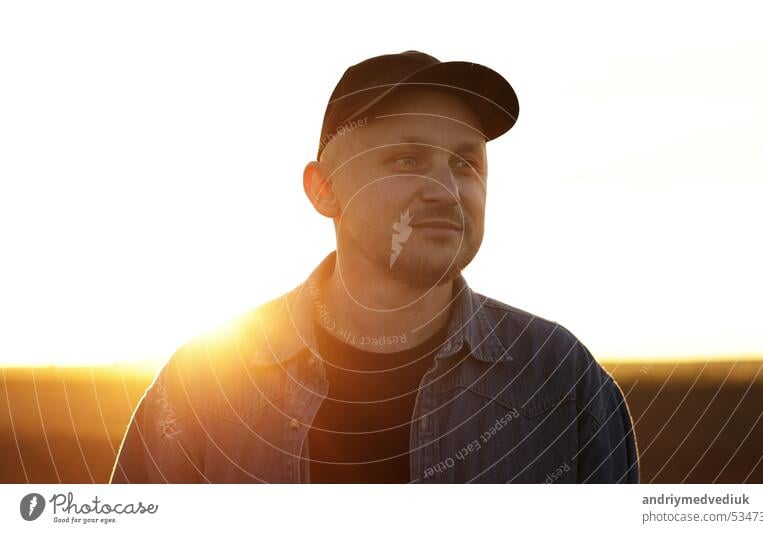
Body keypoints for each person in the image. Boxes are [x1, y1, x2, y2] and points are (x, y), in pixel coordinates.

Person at [110, 50, 640, 483]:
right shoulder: (207, 382)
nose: (446, 191)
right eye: (407, 160)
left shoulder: (559, 376)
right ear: (324, 189)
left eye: (465, 163)